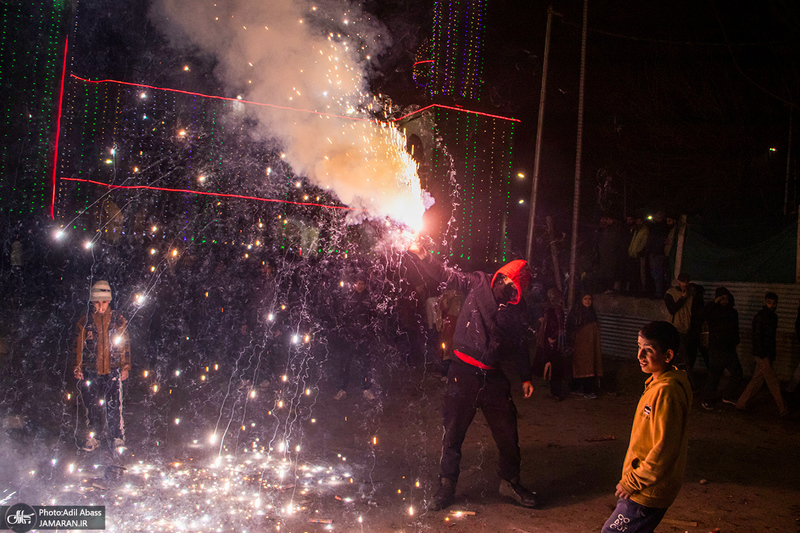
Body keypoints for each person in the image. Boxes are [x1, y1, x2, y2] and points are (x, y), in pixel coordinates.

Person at [408, 243, 537, 511]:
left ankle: (510, 481)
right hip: (463, 373)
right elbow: (446, 275)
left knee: (508, 434)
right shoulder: (477, 283)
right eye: (509, 285)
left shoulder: (515, 307)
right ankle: (446, 485)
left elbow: (519, 342)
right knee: (453, 433)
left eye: (516, 289)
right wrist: (424, 255)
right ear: (501, 277)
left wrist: (526, 376)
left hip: (493, 377)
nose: (511, 291)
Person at [601, 321, 692, 533]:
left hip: (647, 490)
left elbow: (664, 449)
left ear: (668, 356)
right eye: (639, 347)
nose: (640, 356)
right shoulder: (658, 383)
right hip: (647, 486)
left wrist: (632, 482)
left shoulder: (666, 392)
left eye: (648, 350)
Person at [73, 280, 131, 451]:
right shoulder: (85, 322)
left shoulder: (118, 320)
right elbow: (78, 346)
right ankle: (94, 437)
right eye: (97, 302)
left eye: (104, 302)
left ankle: (117, 436)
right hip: (91, 369)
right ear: (92, 302)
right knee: (91, 405)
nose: (101, 306)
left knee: (114, 405)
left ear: (109, 301)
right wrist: (78, 366)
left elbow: (125, 345)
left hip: (113, 369)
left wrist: (125, 366)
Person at [736, 292, 787, 417]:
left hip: (765, 354)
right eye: (769, 303)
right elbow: (757, 337)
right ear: (765, 302)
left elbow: (770, 338)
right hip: (762, 355)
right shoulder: (761, 317)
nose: (772, 305)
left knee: (757, 381)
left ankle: (741, 403)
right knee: (773, 382)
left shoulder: (772, 317)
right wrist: (763, 355)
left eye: (774, 303)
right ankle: (783, 409)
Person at [333, 275, 376, 401]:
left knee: (365, 363)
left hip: (364, 336)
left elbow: (373, 317)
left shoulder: (369, 299)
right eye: (359, 283)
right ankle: (342, 389)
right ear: (354, 284)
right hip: (350, 336)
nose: (360, 286)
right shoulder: (349, 298)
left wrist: (370, 332)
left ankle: (366, 389)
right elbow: (343, 315)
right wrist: (344, 331)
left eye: (363, 283)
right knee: (345, 363)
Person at [700, 287, 742, 411]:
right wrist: (714, 302)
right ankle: (707, 400)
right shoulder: (713, 312)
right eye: (721, 298)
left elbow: (735, 328)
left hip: (729, 349)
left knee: (738, 373)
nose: (724, 300)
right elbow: (701, 315)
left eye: (726, 298)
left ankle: (727, 395)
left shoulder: (732, 312)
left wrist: (736, 341)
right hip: (716, 349)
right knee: (714, 376)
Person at [664, 273, 704, 376]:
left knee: (689, 356)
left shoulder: (691, 294)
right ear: (678, 281)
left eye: (686, 281)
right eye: (682, 281)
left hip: (687, 329)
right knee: (680, 357)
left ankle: (685, 377)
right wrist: (682, 298)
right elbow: (672, 309)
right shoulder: (670, 293)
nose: (684, 284)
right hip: (675, 329)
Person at [567, 292, 603, 398]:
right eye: (585, 299)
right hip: (579, 345)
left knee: (590, 366)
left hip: (590, 346)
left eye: (589, 299)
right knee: (580, 366)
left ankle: (587, 389)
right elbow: (570, 327)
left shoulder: (592, 313)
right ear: (581, 300)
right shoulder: (576, 312)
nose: (587, 301)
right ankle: (578, 388)